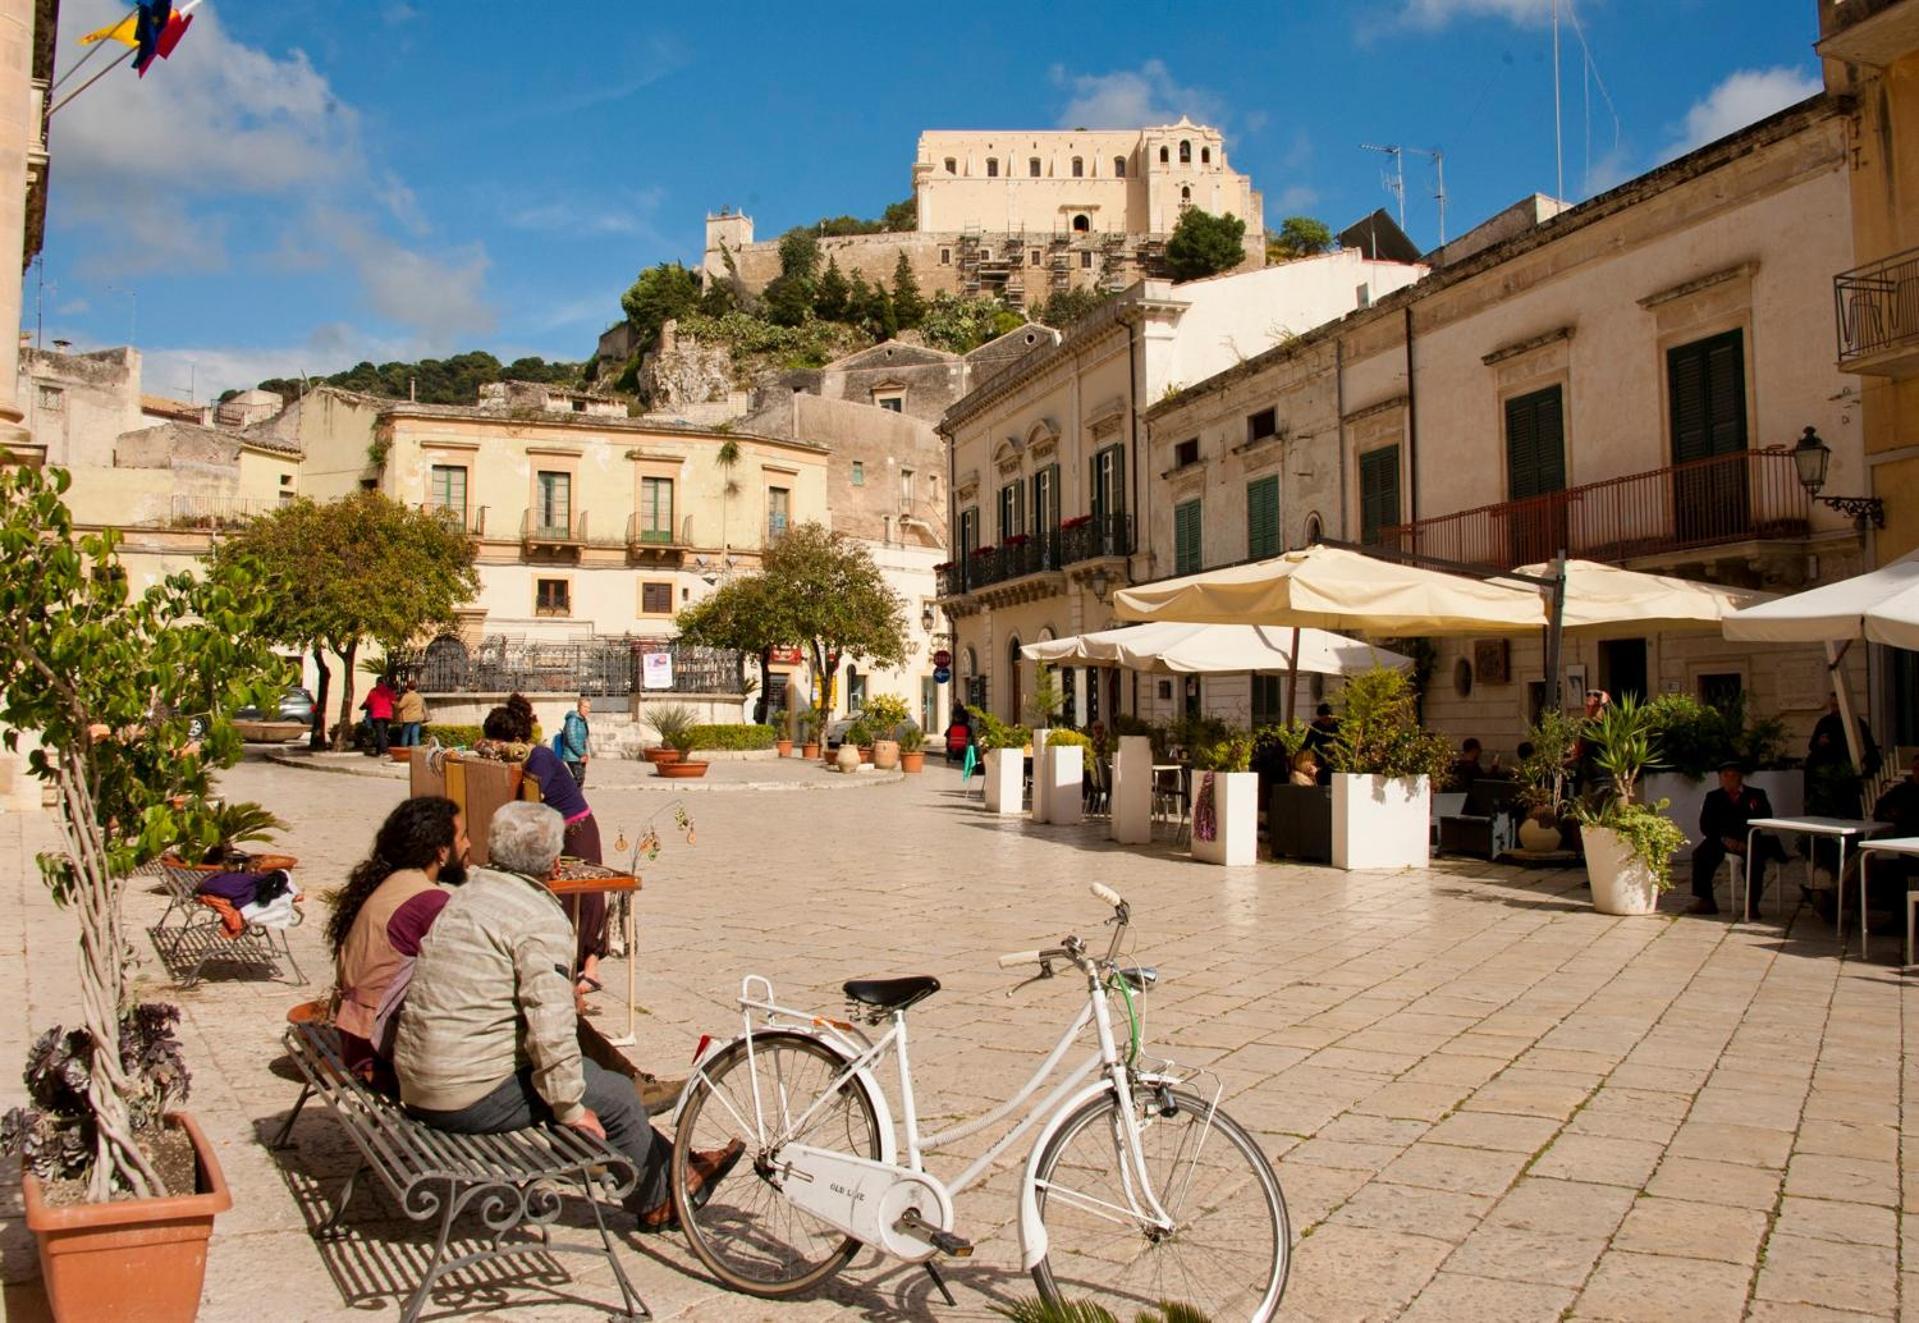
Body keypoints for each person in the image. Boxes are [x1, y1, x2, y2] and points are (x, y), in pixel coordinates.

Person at [394, 802, 742, 1231]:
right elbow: (551, 1026)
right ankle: (659, 1198)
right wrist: (570, 1108)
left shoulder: (467, 896)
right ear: (556, 864)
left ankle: (676, 1164)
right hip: (464, 1092)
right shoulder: (539, 917)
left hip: (422, 1078)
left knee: (594, 1076)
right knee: (615, 1094)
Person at [326, 796, 468, 1088]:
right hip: (378, 1050)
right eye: (463, 837)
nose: (468, 845)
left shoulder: (389, 880)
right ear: (442, 851)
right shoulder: (430, 902)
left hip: (356, 1036)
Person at [482, 705, 608, 1000]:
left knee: (587, 898)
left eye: (498, 742)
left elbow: (530, 800)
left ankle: (591, 967)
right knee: (559, 901)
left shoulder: (539, 758)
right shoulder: (519, 759)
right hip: (554, 833)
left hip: (577, 830)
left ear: (513, 737)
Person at [1689, 761, 1789, 917]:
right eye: (1724, 776)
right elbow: (1706, 825)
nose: (1728, 779)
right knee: (1702, 854)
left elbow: (1764, 819)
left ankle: (1752, 904)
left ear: (1740, 777)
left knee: (1754, 861)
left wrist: (1744, 840)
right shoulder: (1713, 797)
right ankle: (1706, 900)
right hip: (1723, 839)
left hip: (1750, 839)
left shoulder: (1756, 795)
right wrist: (1725, 839)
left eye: (1732, 775)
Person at [361, 675, 398, 756]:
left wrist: (362, 707)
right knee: (383, 732)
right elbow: (394, 702)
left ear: (377, 682)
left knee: (380, 733)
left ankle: (384, 751)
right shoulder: (389, 691)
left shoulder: (373, 691)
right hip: (388, 714)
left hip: (377, 714)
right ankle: (379, 750)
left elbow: (367, 702)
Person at [561, 698, 592, 788]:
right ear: (579, 707)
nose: (587, 710)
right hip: (573, 755)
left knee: (580, 780)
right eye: (585, 707)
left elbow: (583, 739)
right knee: (579, 779)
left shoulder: (582, 720)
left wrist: (585, 754)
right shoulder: (573, 720)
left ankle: (575, 800)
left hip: (579, 755)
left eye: (589, 707)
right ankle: (569, 799)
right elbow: (571, 738)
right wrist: (582, 753)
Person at [395, 679, 427, 748]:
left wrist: (394, 703)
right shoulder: (419, 696)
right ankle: (416, 751)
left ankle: (403, 750)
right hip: (418, 718)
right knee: (415, 735)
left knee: (405, 735)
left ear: (408, 688)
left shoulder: (407, 696)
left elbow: (400, 705)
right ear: (415, 688)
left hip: (408, 718)